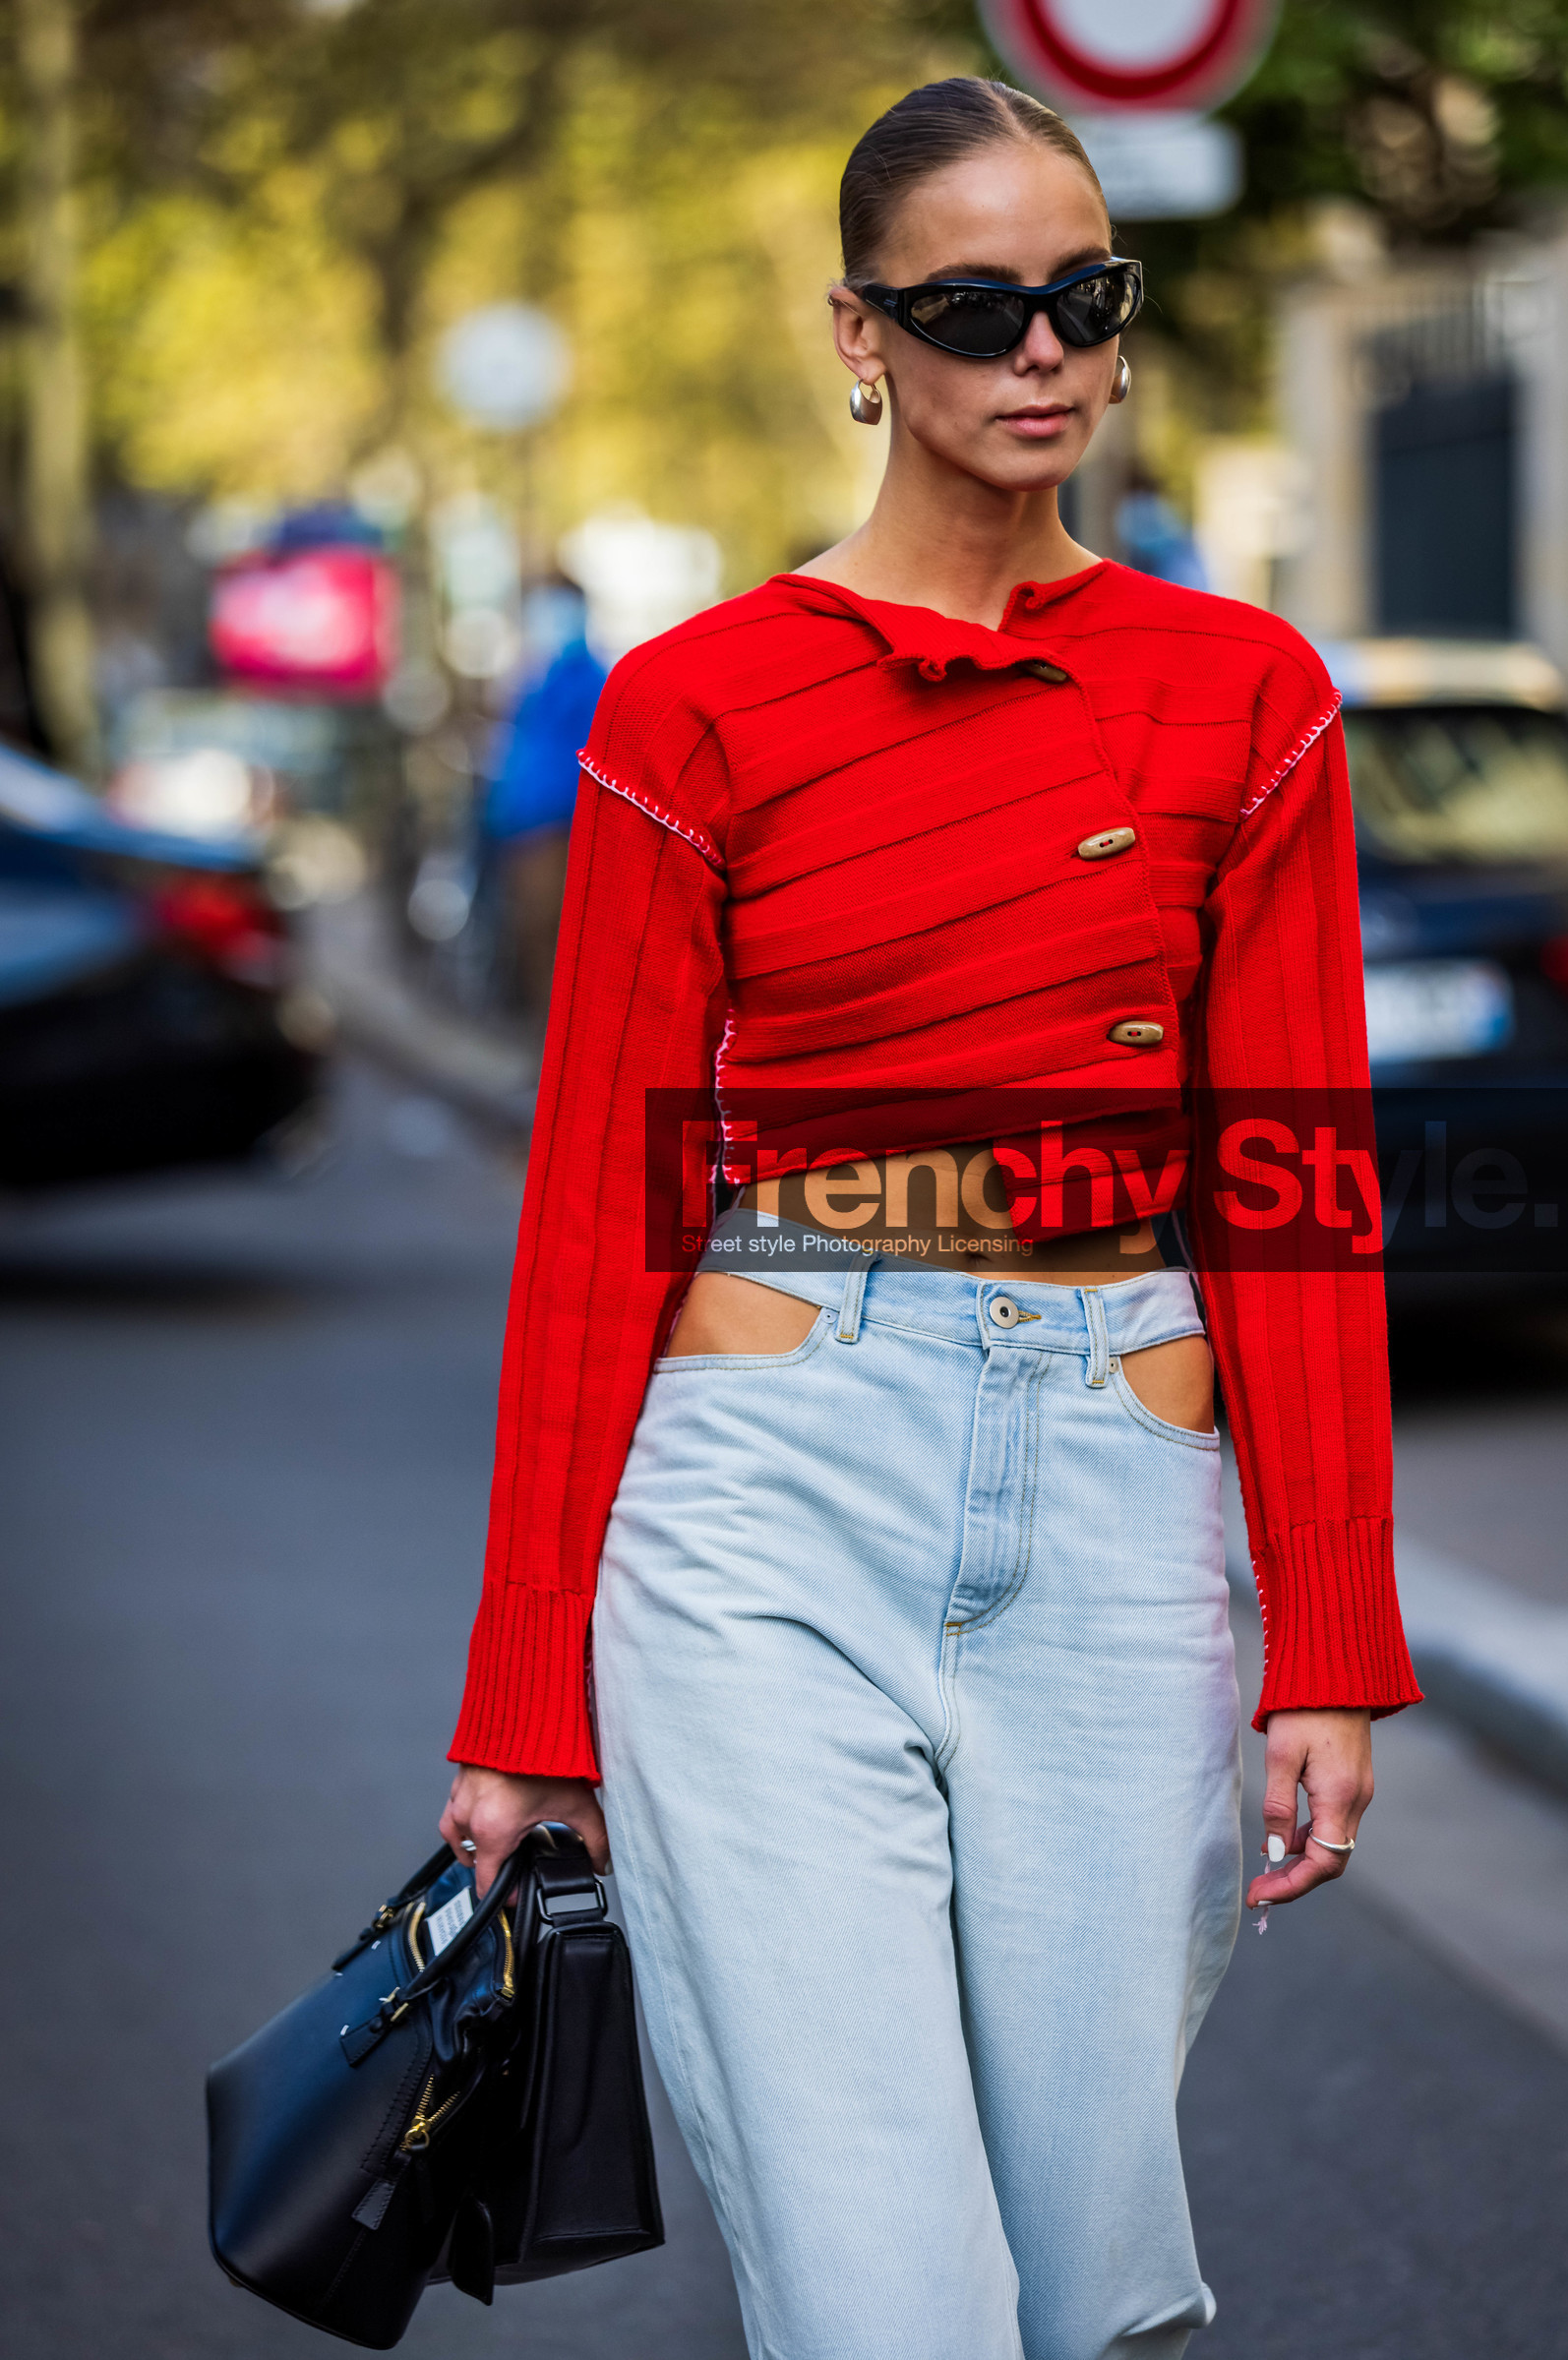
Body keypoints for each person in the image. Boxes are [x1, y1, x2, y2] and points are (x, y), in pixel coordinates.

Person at [441, 78, 1419, 2360]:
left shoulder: (1245, 694)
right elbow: (601, 1209)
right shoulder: (690, 709)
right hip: (765, 1496)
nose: (1043, 352)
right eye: (974, 307)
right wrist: (519, 1701)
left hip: (1115, 1489)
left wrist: (1335, 1635)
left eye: (1084, 297)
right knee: (887, 2293)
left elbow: (1291, 1182)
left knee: (1088, 2281)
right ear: (860, 334)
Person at [480, 574, 607, 1024]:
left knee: (553, 937)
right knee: (532, 938)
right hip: (524, 825)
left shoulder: (590, 678)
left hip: (558, 827)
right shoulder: (536, 675)